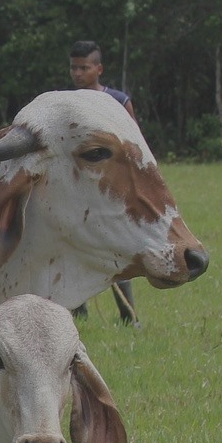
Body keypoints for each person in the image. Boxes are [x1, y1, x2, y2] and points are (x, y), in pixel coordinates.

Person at [68, 40, 139, 325]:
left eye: (84, 68)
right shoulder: (68, 102)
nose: (77, 73)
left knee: (115, 247)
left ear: (99, 69)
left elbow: (134, 146)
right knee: (73, 244)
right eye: (73, 67)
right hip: (78, 186)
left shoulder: (118, 101)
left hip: (111, 189)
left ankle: (128, 315)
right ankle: (77, 309)